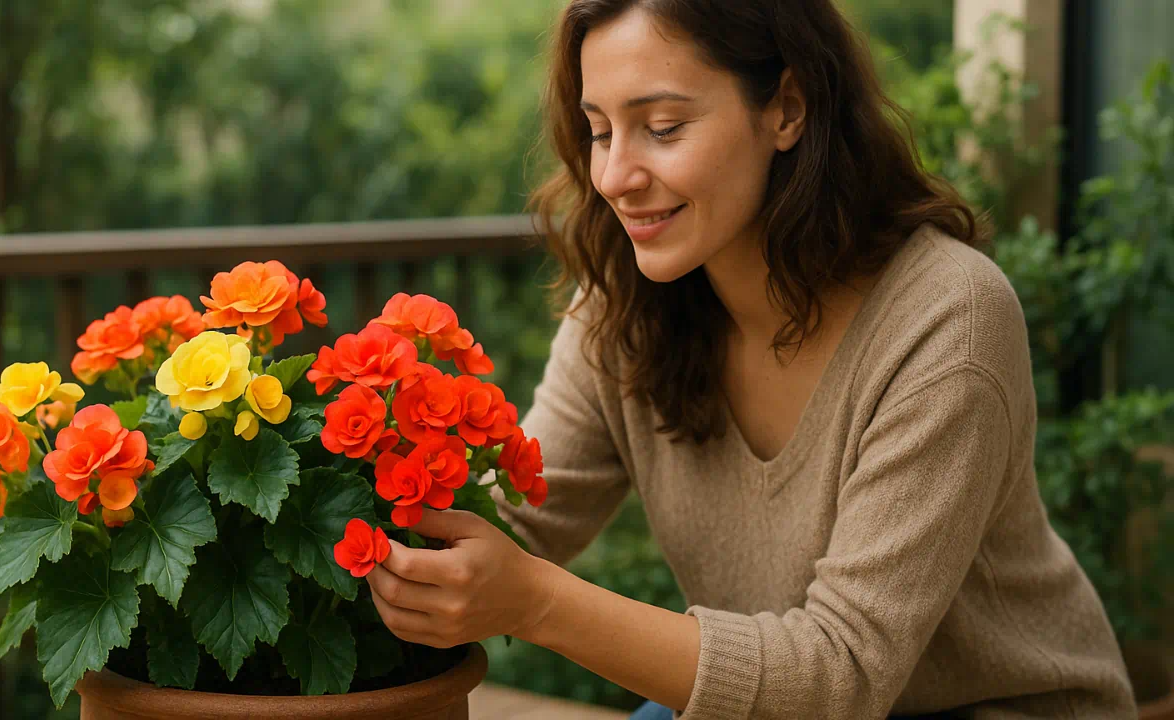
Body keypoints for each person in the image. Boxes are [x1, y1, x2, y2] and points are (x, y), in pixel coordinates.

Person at [363, 1, 1139, 717]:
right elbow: (517, 516)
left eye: (663, 127)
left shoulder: (947, 320)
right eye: (599, 131)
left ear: (787, 109)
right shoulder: (623, 307)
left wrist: (535, 601)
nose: (614, 178)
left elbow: (842, 675)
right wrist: (345, 507)